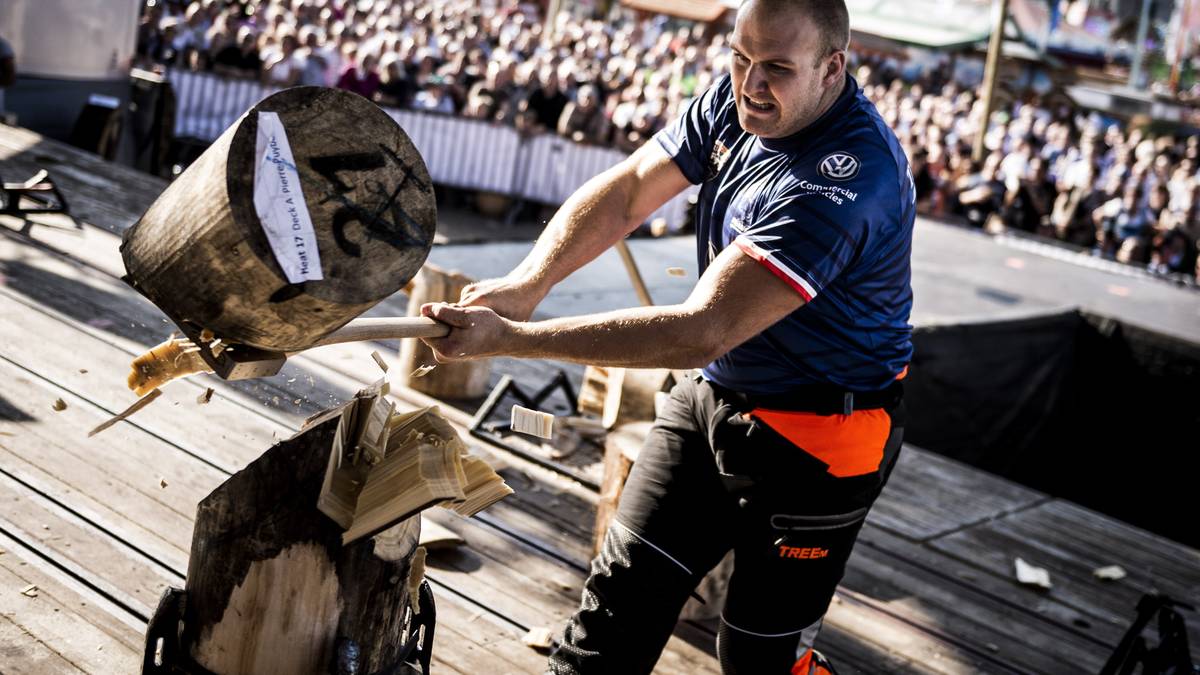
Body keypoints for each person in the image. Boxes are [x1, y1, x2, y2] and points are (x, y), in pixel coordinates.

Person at [417, 1, 914, 673]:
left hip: (820, 437)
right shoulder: (740, 96)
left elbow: (700, 329)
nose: (750, 84)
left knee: (759, 657)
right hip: (715, 393)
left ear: (833, 68)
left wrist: (510, 337)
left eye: (776, 68)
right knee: (612, 613)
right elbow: (627, 192)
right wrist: (526, 283)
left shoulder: (851, 176)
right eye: (739, 58)